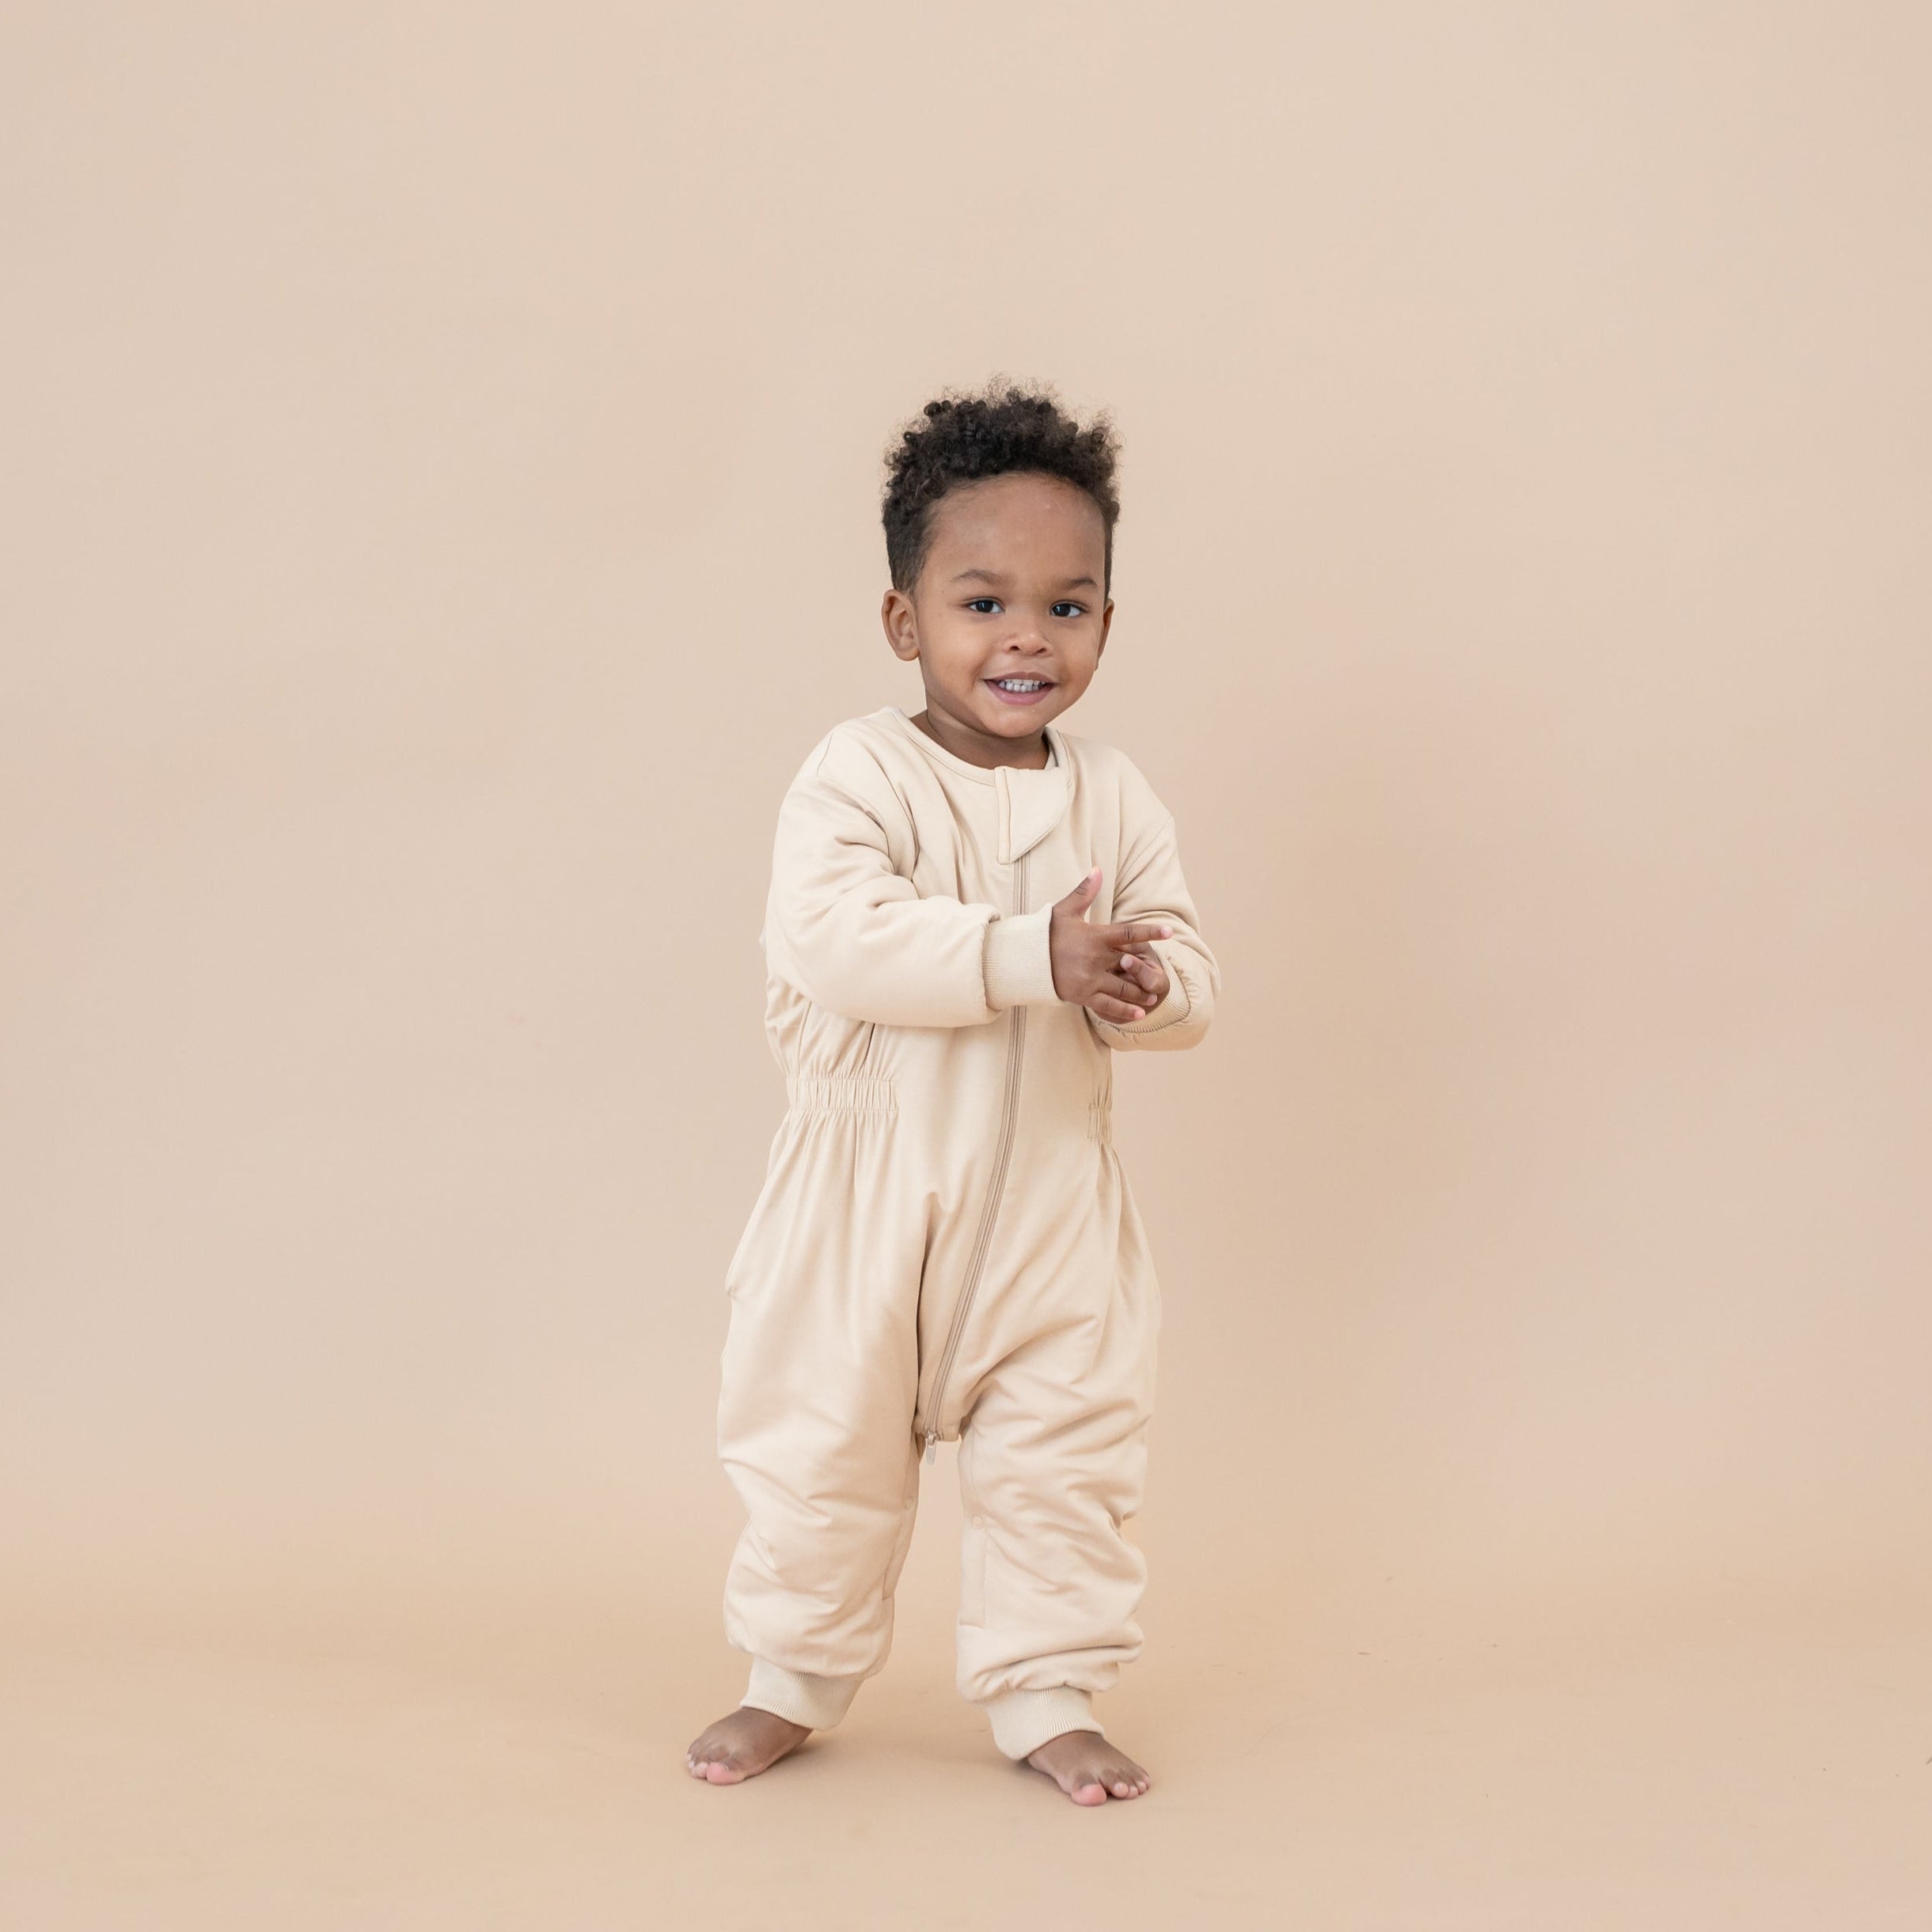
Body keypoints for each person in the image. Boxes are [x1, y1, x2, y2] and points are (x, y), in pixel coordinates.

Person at [685, 378, 1220, 1805]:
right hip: (861, 1200)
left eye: (1068, 604)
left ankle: (1047, 1690)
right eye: (983, 603)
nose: (1026, 638)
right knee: (817, 1450)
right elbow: (838, 939)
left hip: (1051, 1202)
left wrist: (1149, 989)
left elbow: (1186, 957)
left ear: (1107, 619)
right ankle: (787, 1677)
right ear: (902, 618)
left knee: (1067, 1453)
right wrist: (1026, 950)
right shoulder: (854, 774)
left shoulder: (1115, 794)